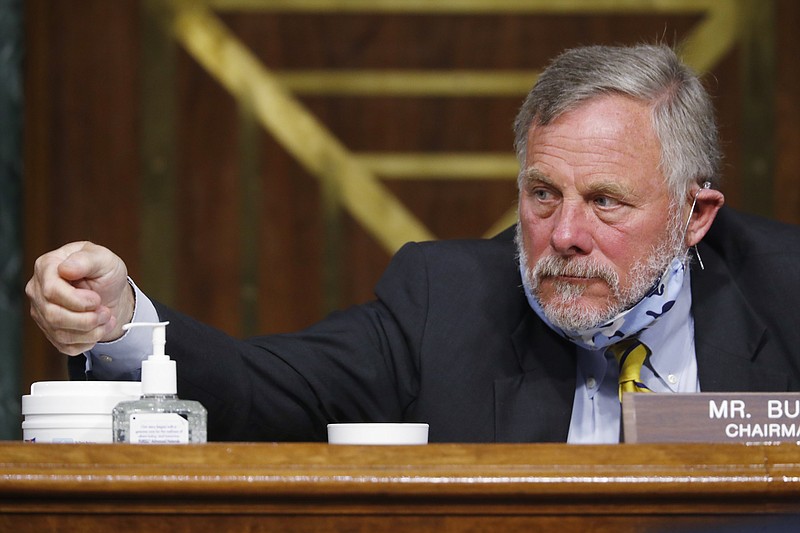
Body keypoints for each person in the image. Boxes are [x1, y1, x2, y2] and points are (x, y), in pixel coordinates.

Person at [26, 44, 800, 443]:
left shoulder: (785, 290)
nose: (564, 235)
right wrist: (118, 319)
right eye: (541, 194)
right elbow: (260, 388)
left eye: (605, 202)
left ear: (695, 215)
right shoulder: (447, 300)